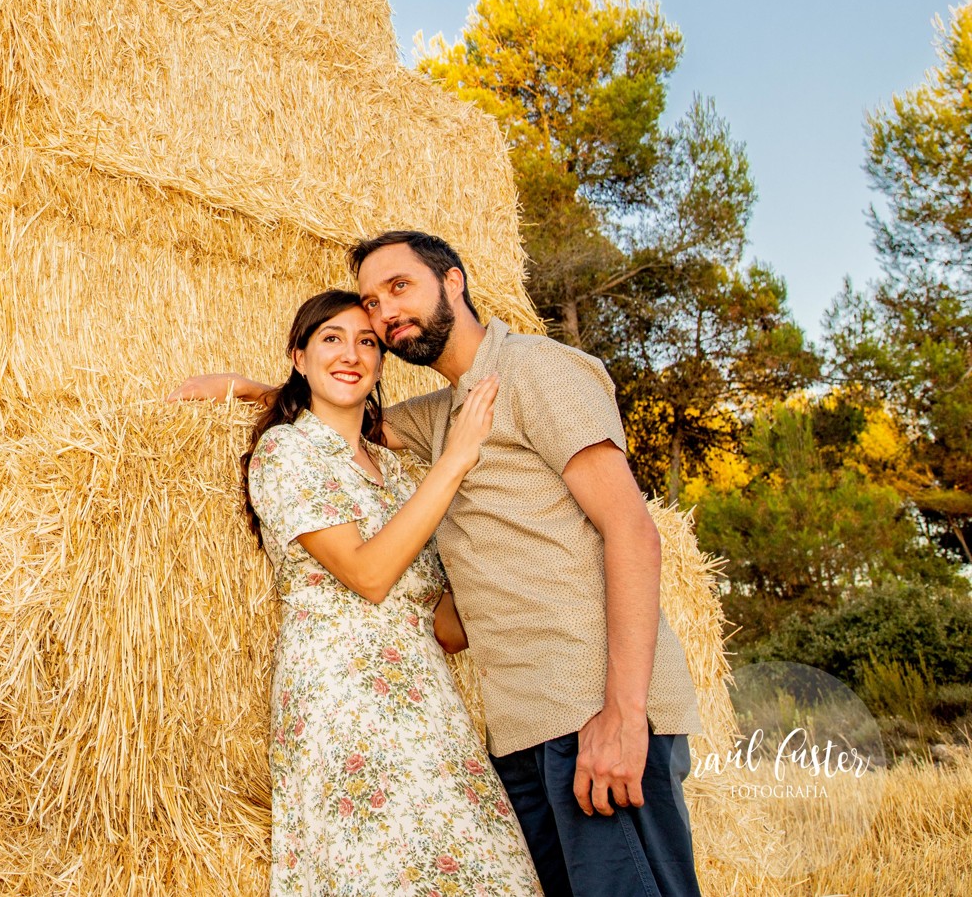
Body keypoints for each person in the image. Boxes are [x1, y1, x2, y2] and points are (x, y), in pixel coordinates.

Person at [177, 231, 704, 897]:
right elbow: (348, 424)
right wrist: (256, 390)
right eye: (373, 302)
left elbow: (632, 529)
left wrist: (625, 711)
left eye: (400, 288)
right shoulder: (444, 413)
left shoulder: (537, 369)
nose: (385, 314)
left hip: (593, 706)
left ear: (453, 280)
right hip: (520, 729)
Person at [225, 288, 538, 897]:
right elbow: (368, 576)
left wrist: (513, 544)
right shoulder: (287, 450)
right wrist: (455, 461)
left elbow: (446, 628)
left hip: (428, 701)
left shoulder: (396, 472)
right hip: (345, 700)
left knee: (483, 870)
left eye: (367, 341)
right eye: (331, 339)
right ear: (298, 356)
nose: (351, 354)